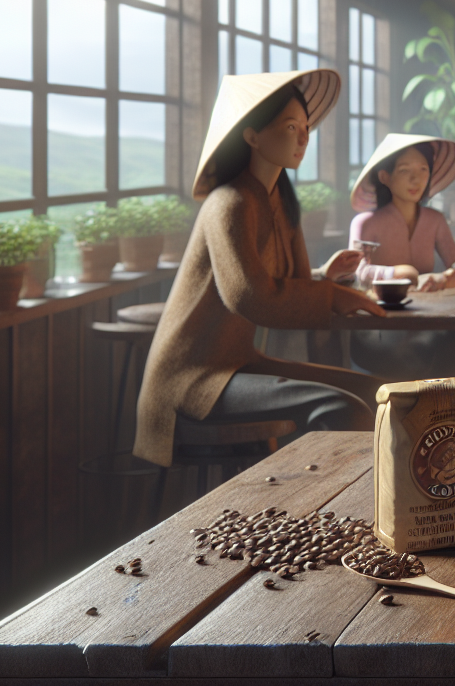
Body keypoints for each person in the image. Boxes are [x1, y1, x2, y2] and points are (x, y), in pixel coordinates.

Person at [133, 70, 384, 468]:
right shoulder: (228, 202)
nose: (303, 138)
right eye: (290, 127)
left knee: (376, 392)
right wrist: (331, 296)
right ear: (251, 136)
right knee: (341, 408)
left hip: (236, 361)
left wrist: (324, 277)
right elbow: (249, 295)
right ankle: (327, 517)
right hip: (194, 377)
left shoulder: (281, 202)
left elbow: (289, 285)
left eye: (305, 128)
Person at [345, 133, 455, 381]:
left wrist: (447, 277)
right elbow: (357, 272)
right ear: (385, 177)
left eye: (422, 169)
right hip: (378, 328)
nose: (415, 178)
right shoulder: (365, 223)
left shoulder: (435, 220)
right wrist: (398, 273)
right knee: (438, 347)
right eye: (404, 169)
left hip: (427, 322)